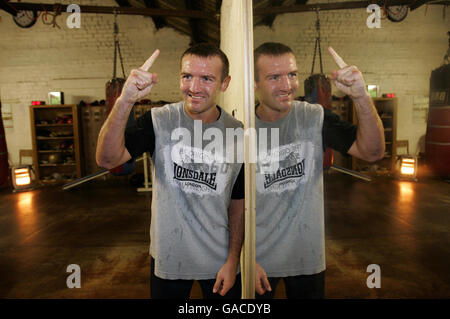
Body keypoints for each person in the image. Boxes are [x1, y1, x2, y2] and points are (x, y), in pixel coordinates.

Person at [96, 43, 244, 299]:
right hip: (169, 259)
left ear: (224, 83)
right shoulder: (158, 121)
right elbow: (107, 159)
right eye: (187, 76)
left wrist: (233, 260)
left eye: (207, 78)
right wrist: (125, 100)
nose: (194, 88)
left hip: (220, 261)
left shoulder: (238, 132)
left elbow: (238, 202)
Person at [253, 42, 385, 298]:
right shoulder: (239, 125)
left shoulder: (316, 118)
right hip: (256, 258)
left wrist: (361, 97)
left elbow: (372, 152)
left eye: (292, 74)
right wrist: (243, 256)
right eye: (274, 77)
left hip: (306, 256)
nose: (286, 85)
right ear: (255, 83)